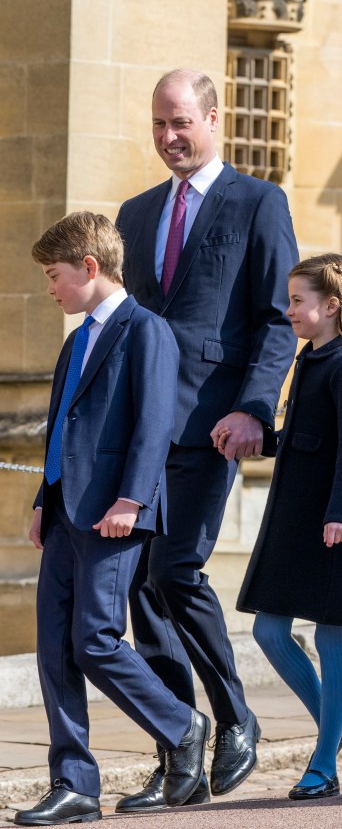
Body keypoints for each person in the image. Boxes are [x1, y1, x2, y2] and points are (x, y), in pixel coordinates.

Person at [113, 69, 299, 812]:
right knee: (136, 585)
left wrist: (256, 408)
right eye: (159, 125)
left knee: (176, 570)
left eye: (180, 123)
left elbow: (278, 318)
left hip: (213, 426)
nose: (168, 138)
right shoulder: (133, 213)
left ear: (215, 118)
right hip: (136, 433)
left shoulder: (260, 202)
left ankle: (235, 714)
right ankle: (176, 749)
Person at [17, 213, 209, 827]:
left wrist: (132, 500)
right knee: (55, 651)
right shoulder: (76, 340)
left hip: (114, 514)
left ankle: (182, 727)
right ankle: (73, 784)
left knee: (96, 638)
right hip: (65, 514)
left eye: (54, 276)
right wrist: (44, 499)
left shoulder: (146, 330)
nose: (50, 289)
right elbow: (63, 427)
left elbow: (155, 423)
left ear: (90, 268)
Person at [236, 254, 342, 801]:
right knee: (268, 630)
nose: (290, 309)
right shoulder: (312, 358)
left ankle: (324, 763)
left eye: (298, 300)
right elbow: (309, 436)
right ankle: (336, 719)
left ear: (330, 307)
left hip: (338, 515)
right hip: (300, 513)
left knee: (331, 634)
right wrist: (258, 438)